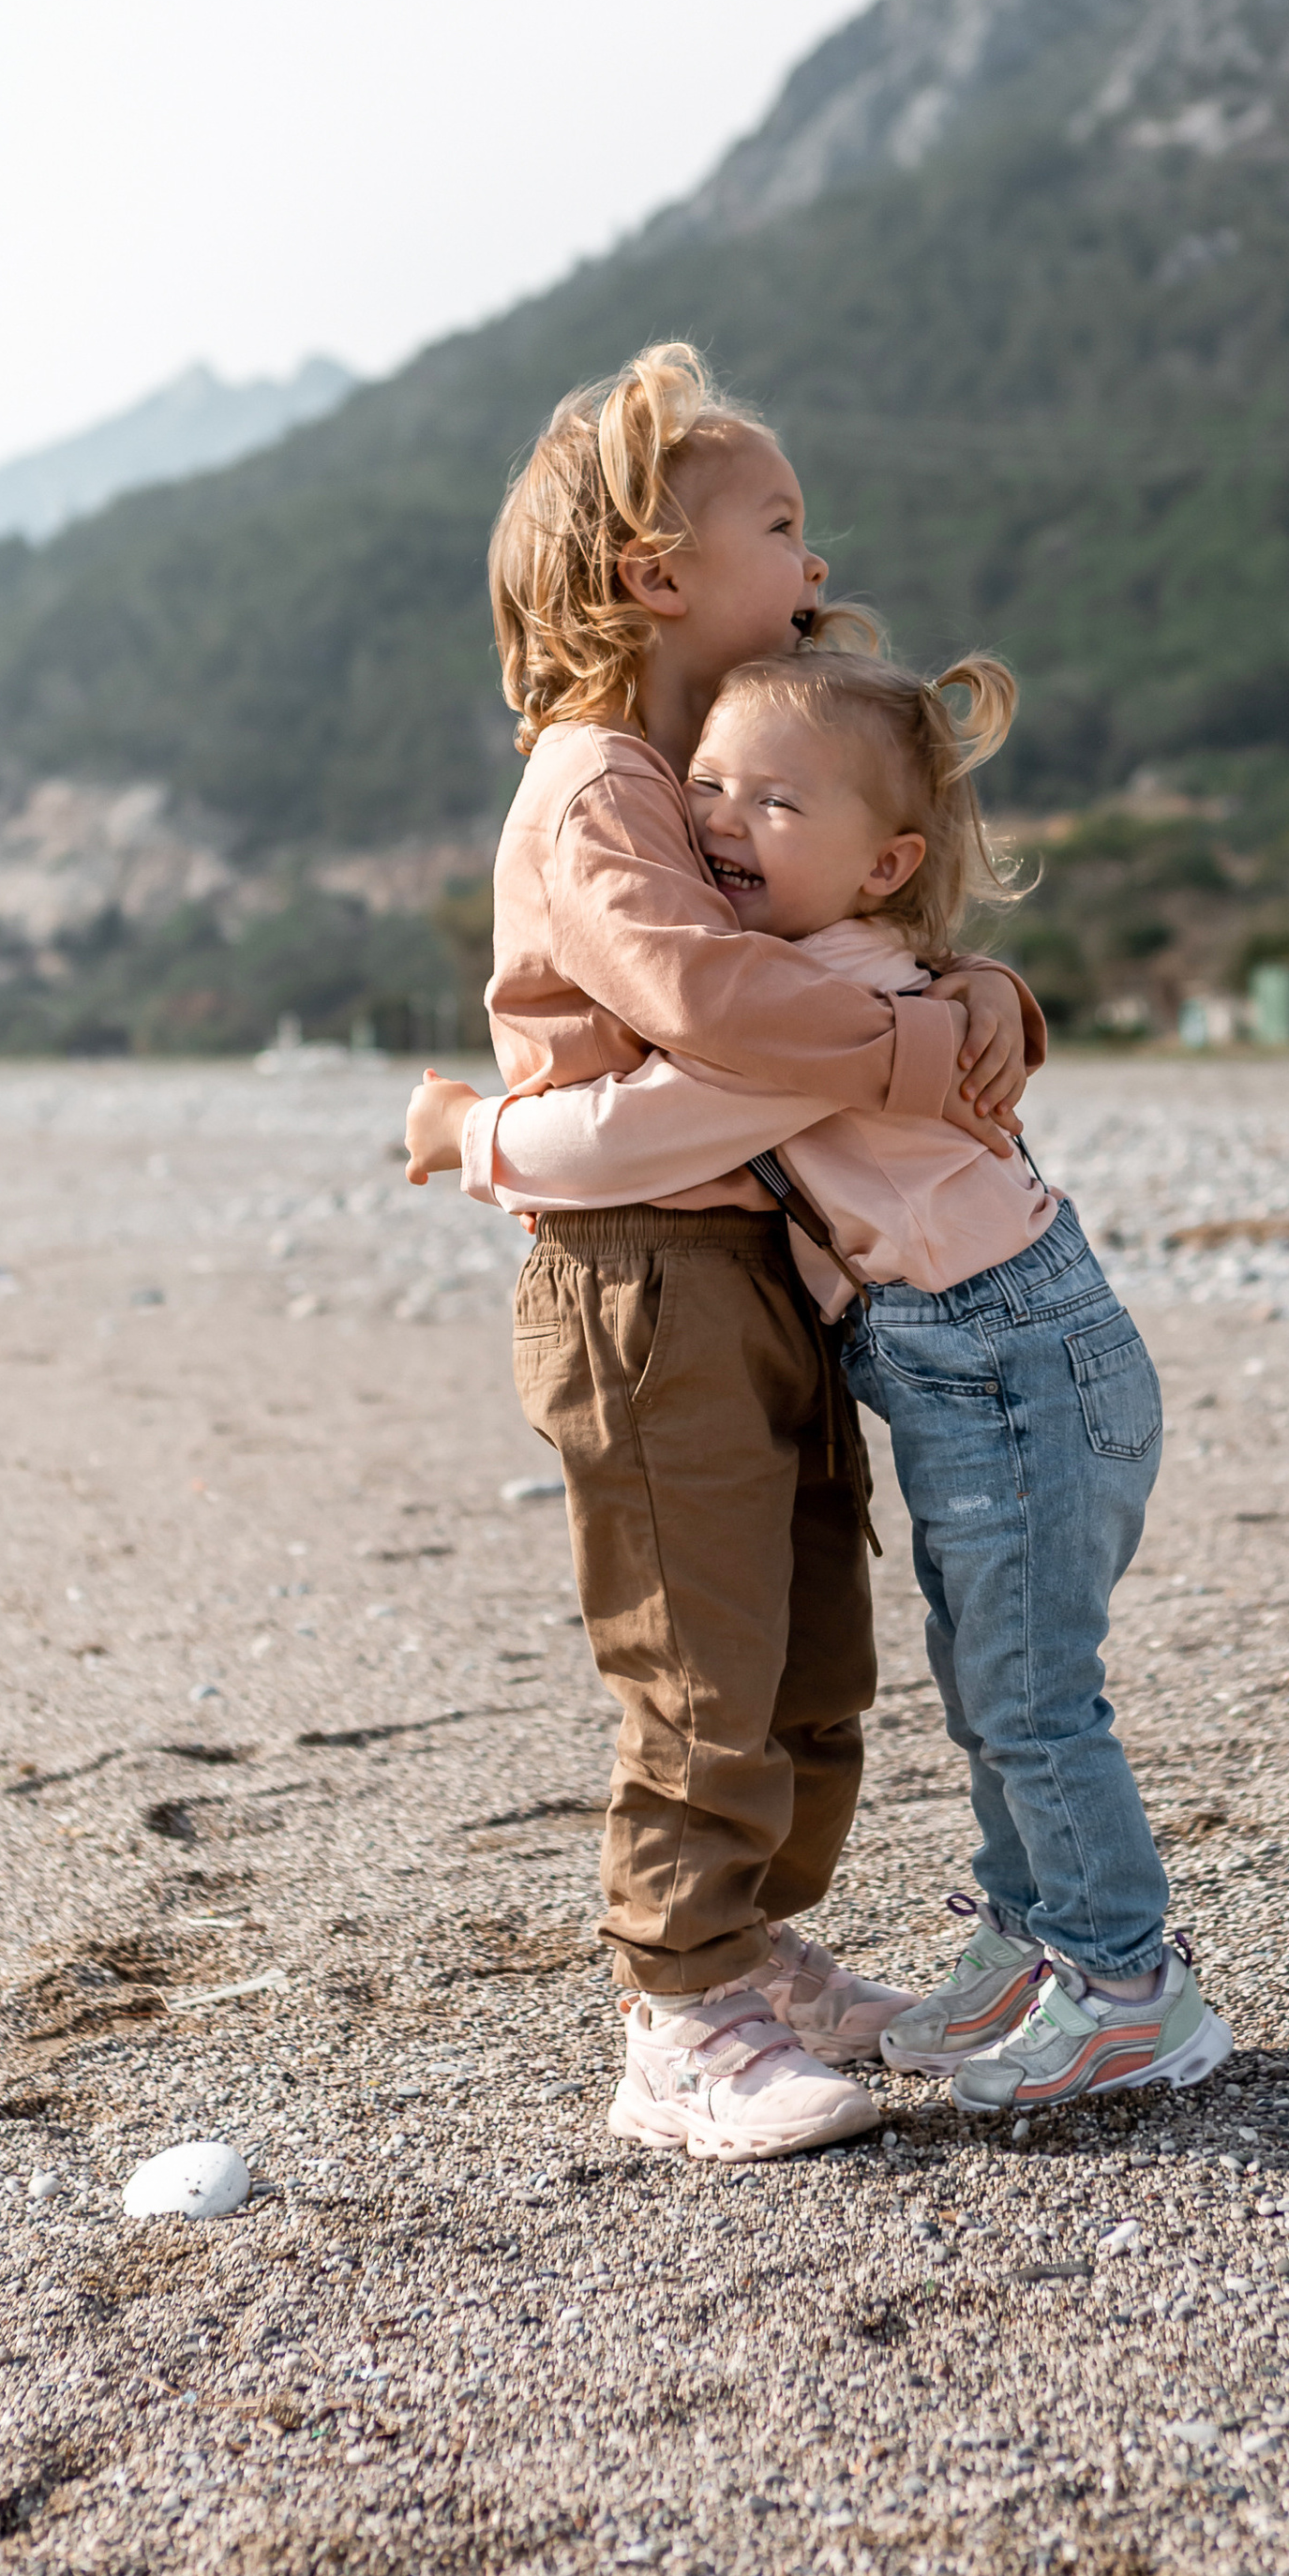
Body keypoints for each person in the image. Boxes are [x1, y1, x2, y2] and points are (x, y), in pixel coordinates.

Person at [407, 640, 1230, 2119]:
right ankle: (1030, 1940)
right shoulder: (810, 981)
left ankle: (1126, 1988)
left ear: (883, 865)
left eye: (775, 803)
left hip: (1017, 1359)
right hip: (976, 1364)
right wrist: (981, 990)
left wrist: (468, 1136)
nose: (721, 818)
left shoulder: (821, 1007)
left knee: (1035, 1700)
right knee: (995, 1691)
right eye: (708, 786)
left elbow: (633, 1136)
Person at [417, 342, 1042, 2164]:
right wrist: (915, 1052)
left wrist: (970, 979)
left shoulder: (713, 777)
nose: (814, 549)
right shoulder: (592, 786)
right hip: (640, 1281)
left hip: (757, 1266)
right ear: (652, 575)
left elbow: (839, 924)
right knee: (697, 1659)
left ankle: (752, 1944)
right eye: (777, 523)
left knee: (807, 1661)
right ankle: (675, 2015)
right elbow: (700, 1001)